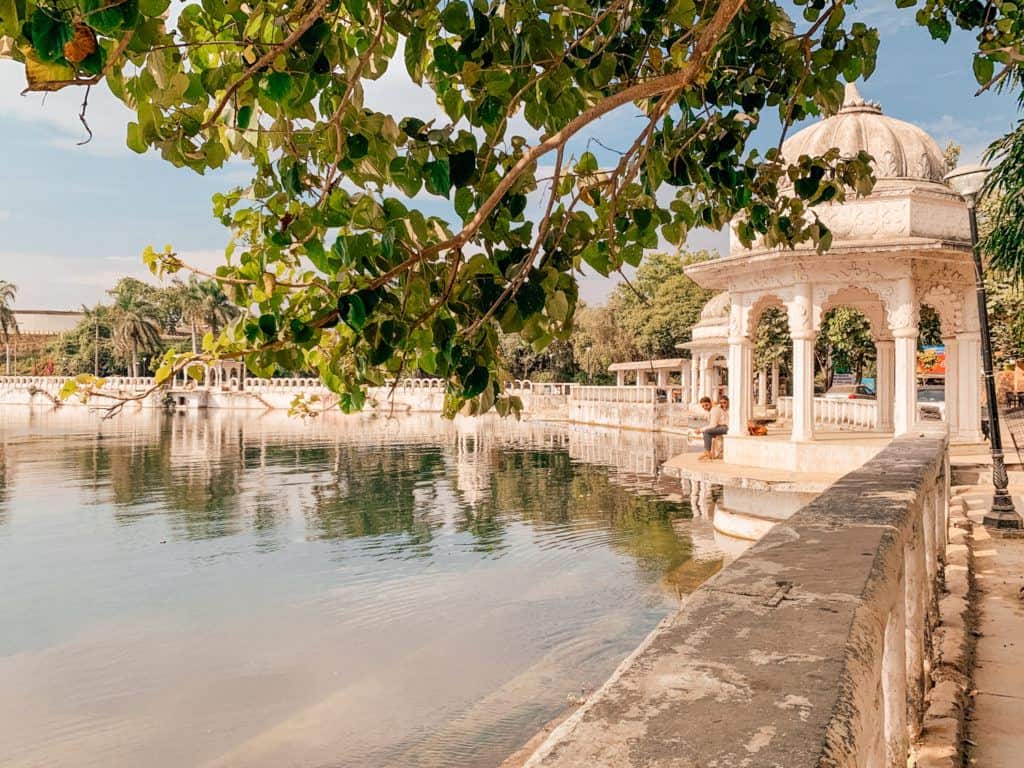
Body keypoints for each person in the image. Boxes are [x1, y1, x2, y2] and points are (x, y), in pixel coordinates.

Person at [699, 395, 729, 461]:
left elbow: (713, 425)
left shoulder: (714, 410)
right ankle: (707, 452)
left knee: (706, 431)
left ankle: (708, 453)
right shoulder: (713, 409)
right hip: (721, 427)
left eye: (706, 405)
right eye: (703, 406)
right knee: (706, 432)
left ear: (710, 403)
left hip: (726, 427)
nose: (705, 407)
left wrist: (700, 430)